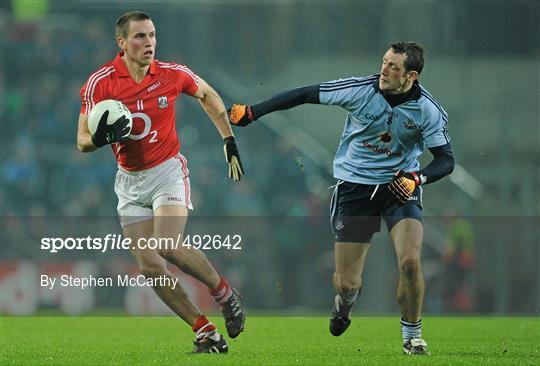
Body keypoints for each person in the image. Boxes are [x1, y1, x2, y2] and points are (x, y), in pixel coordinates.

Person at [229, 42, 455, 355]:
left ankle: (412, 336)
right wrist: (253, 112)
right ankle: (345, 304)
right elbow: (305, 93)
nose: (384, 71)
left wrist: (417, 178)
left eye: (394, 67)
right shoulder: (360, 89)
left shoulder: (427, 109)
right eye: (384, 62)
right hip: (354, 189)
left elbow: (445, 160)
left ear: (411, 76)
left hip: (399, 188)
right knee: (347, 282)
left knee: (410, 262)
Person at [77, 11, 245, 353]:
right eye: (139, 36)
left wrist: (228, 140)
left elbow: (208, 95)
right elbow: (82, 141)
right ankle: (206, 332)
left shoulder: (171, 73)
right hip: (129, 181)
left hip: (167, 171)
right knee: (151, 266)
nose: (149, 42)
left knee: (167, 245)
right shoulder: (101, 82)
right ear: (122, 43)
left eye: (152, 35)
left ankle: (224, 293)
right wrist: (102, 136)